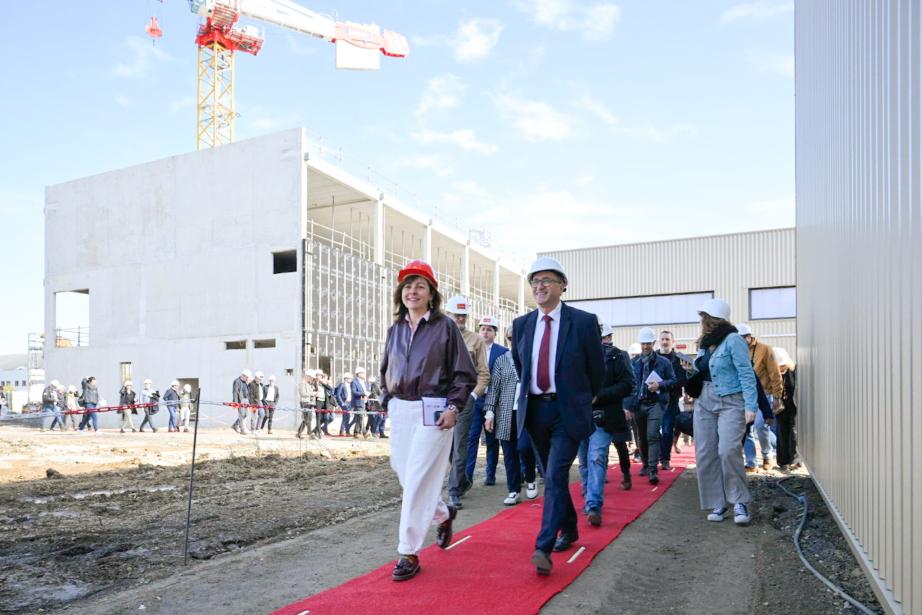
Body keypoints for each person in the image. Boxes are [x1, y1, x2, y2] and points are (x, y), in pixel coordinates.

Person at [379, 259, 477, 581]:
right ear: (400, 293)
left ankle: (408, 551)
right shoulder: (394, 331)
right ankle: (444, 513)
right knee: (405, 474)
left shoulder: (445, 327)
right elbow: (386, 370)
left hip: (434, 409)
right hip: (401, 408)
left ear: (431, 293)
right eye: (407, 285)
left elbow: (465, 373)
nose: (413, 290)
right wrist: (386, 397)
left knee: (419, 477)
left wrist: (454, 407)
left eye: (420, 285)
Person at [511, 256, 604, 576]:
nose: (540, 286)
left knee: (553, 475)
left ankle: (543, 546)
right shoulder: (522, 325)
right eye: (535, 281)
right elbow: (521, 367)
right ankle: (571, 529)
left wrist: (581, 398)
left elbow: (598, 370)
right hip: (535, 410)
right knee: (552, 475)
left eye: (547, 280)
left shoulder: (583, 321)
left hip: (568, 412)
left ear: (563, 286)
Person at [685, 299, 758, 526]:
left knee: (728, 451)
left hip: (731, 401)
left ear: (713, 319)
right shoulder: (704, 343)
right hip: (704, 401)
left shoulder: (734, 340)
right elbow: (705, 368)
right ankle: (717, 501)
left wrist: (751, 406)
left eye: (704, 317)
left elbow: (746, 373)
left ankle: (739, 501)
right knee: (706, 453)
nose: (702, 321)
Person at [579, 323, 635, 525]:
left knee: (596, 456)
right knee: (585, 460)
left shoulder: (618, 356)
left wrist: (598, 396)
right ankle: (588, 497)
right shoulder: (577, 355)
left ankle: (593, 503)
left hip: (603, 416)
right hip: (579, 415)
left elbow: (628, 384)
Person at [445, 295, 490, 509]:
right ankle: (462, 480)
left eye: (463, 315)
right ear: (448, 315)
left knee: (460, 444)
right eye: (457, 315)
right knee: (446, 447)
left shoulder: (476, 340)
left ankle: (453, 491)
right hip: (440, 401)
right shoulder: (437, 338)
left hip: (465, 401)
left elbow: (484, 374)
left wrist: (473, 395)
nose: (460, 319)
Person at [484, 326, 533, 506]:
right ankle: (514, 490)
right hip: (505, 412)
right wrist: (489, 413)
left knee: (526, 447)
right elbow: (493, 389)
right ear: (507, 339)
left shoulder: (532, 359)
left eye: (518, 337)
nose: (514, 341)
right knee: (509, 454)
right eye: (511, 338)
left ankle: (530, 477)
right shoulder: (501, 361)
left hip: (527, 411)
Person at [624, 328, 676, 485]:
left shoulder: (664, 362)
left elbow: (673, 381)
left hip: (656, 404)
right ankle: (646, 464)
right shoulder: (633, 363)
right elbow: (628, 385)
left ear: (653, 343)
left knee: (652, 435)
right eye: (643, 343)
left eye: (648, 343)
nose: (646, 346)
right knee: (641, 437)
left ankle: (653, 470)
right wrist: (627, 406)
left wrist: (660, 384)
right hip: (638, 405)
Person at [465, 315, 506, 487]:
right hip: (475, 398)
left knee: (491, 440)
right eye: (483, 329)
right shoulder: (469, 348)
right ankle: (467, 477)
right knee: (471, 438)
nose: (486, 332)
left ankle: (490, 475)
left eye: (489, 329)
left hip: (494, 400)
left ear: (495, 333)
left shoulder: (503, 352)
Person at [737, 323, 782, 471]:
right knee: (746, 429)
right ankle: (751, 463)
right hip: (744, 397)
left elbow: (775, 373)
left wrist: (777, 396)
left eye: (741, 339)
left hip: (764, 394)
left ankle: (767, 455)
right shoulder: (736, 352)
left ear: (749, 337)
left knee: (760, 426)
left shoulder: (765, 349)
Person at [656, 330, 688, 471]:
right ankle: (654, 457)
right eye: (662, 339)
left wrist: (664, 384)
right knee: (653, 431)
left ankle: (665, 459)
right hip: (654, 400)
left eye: (667, 339)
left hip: (671, 400)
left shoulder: (678, 359)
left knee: (667, 430)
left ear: (672, 341)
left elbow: (681, 380)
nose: (664, 341)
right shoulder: (653, 357)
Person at [773, 348, 799, 470]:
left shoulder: (795, 371)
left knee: (793, 432)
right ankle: (783, 461)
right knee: (782, 432)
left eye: (783, 365)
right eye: (779, 366)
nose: (781, 368)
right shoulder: (772, 373)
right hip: (780, 407)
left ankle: (794, 460)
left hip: (793, 406)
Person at [297, 370, 319, 439]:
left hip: (309, 402)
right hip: (304, 402)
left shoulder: (309, 384)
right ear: (307, 376)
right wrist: (313, 394)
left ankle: (299, 433)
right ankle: (310, 434)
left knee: (307, 419)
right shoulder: (302, 383)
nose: (312, 379)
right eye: (311, 377)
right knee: (307, 419)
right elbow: (303, 393)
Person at [352, 367, 370, 439]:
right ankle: (359, 432)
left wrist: (367, 394)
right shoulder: (354, 382)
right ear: (358, 374)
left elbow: (367, 390)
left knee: (360, 417)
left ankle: (360, 432)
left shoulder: (365, 382)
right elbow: (354, 392)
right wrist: (363, 393)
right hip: (358, 402)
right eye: (363, 373)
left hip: (364, 401)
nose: (364, 374)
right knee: (360, 416)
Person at [232, 370, 251, 434]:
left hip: (246, 400)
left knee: (245, 415)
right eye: (247, 377)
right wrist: (235, 402)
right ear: (243, 375)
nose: (247, 378)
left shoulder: (245, 382)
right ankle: (243, 430)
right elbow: (235, 392)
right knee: (242, 415)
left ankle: (236, 425)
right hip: (240, 400)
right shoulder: (237, 381)